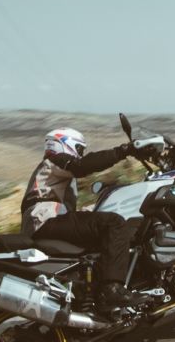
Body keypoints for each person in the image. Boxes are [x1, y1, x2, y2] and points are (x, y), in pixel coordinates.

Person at [21, 127, 143, 310]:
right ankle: (112, 289)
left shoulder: (58, 172)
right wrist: (123, 151)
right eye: (79, 149)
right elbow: (82, 166)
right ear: (63, 143)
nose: (80, 154)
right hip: (44, 220)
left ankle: (92, 295)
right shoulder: (55, 160)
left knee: (104, 237)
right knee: (114, 223)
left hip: (45, 220)